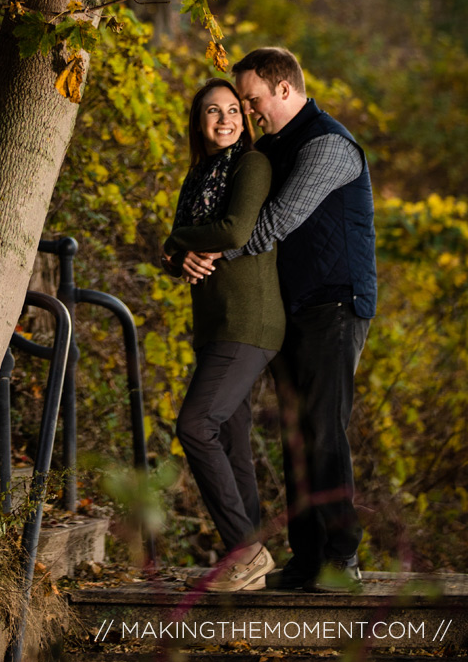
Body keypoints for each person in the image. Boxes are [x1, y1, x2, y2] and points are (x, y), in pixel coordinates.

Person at [182, 47, 376, 592]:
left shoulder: (328, 145)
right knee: (294, 436)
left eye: (252, 99)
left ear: (284, 90)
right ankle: (307, 557)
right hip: (291, 307)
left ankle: (342, 558)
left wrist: (204, 252)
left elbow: (271, 224)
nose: (247, 109)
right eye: (242, 101)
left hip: (335, 304)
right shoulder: (271, 146)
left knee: (323, 431)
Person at [162, 78, 285, 592]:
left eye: (234, 109)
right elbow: (174, 256)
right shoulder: (197, 175)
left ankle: (246, 550)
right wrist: (177, 254)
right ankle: (248, 560)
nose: (225, 119)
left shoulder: (250, 165)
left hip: (248, 320)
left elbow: (235, 231)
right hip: (213, 324)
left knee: (194, 425)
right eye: (212, 111)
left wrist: (174, 240)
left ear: (246, 117)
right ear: (198, 122)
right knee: (232, 442)